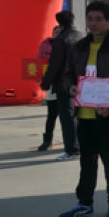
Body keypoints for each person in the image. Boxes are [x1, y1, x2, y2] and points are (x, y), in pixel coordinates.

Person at [58, 1, 109, 217]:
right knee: (87, 161)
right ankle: (85, 203)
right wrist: (71, 86)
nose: (93, 23)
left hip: (107, 114)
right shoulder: (79, 47)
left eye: (98, 19)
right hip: (84, 114)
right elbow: (68, 73)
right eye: (90, 19)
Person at [40, 10, 82, 160]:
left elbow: (55, 65)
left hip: (64, 84)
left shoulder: (60, 40)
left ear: (59, 24)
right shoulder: (81, 36)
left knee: (67, 117)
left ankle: (72, 150)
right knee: (80, 116)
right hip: (82, 82)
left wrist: (45, 83)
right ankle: (81, 146)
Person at [36, 25, 61, 151]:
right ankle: (47, 141)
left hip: (64, 84)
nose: (57, 34)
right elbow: (39, 61)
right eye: (55, 32)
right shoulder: (45, 44)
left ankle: (73, 141)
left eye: (59, 32)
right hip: (51, 84)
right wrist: (38, 76)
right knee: (51, 115)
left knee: (68, 116)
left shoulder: (67, 44)